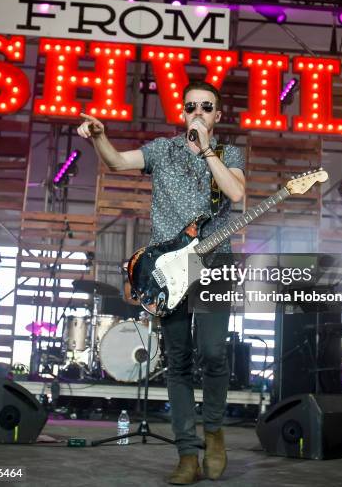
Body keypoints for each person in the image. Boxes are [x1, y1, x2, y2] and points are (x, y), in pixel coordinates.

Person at [77, 81, 245, 484]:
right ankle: (188, 452)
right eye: (191, 107)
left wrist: (206, 149)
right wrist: (100, 138)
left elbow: (236, 193)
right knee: (179, 361)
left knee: (214, 353)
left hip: (214, 262)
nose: (198, 112)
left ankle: (215, 432)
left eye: (207, 107)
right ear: (182, 112)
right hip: (168, 267)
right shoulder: (162, 150)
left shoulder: (228, 152)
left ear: (217, 116)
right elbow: (117, 162)